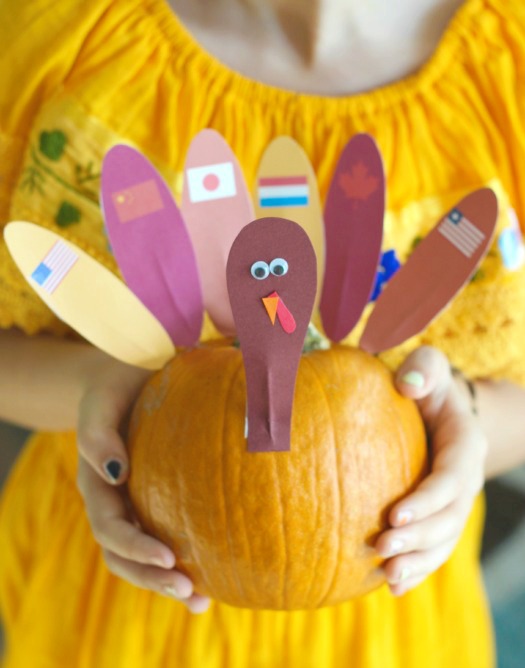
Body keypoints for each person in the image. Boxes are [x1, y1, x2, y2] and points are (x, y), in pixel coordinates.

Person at [1, 0, 525, 665]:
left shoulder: (509, 66)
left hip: (384, 619)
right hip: (116, 596)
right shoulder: (53, 37)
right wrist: (100, 388)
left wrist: (463, 425)